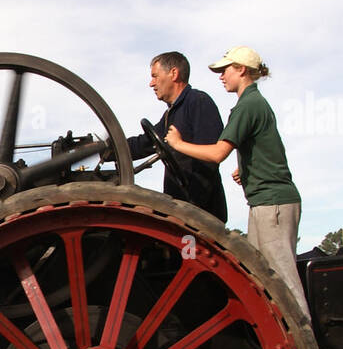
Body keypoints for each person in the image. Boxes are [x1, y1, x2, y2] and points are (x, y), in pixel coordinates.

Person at [165, 46, 308, 315]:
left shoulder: (249, 105)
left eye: (225, 70)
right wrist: (247, 167)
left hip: (272, 203)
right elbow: (268, 146)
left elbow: (218, 153)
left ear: (241, 70)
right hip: (263, 201)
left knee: (284, 285)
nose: (221, 76)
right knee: (260, 278)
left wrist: (178, 143)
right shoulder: (252, 104)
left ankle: (307, 346)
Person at [126, 52, 228, 223]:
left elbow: (209, 160)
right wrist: (107, 148)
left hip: (199, 216)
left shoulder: (198, 102)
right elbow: (145, 143)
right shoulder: (170, 115)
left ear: (173, 73)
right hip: (180, 211)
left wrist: (189, 211)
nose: (151, 83)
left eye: (155, 76)